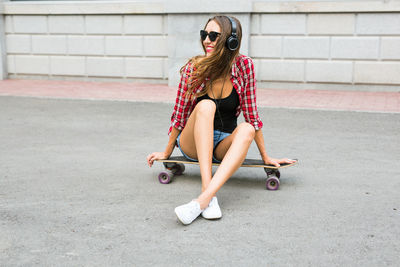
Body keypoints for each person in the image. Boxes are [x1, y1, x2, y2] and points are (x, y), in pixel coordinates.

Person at [147, 15, 295, 225]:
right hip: (192, 144)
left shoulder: (245, 67)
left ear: (230, 40)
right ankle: (207, 193)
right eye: (204, 34)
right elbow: (179, 115)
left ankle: (202, 201)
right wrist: (167, 152)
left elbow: (252, 115)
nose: (207, 40)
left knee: (246, 129)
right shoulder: (194, 68)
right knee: (207, 105)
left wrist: (265, 156)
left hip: (222, 144)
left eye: (214, 35)